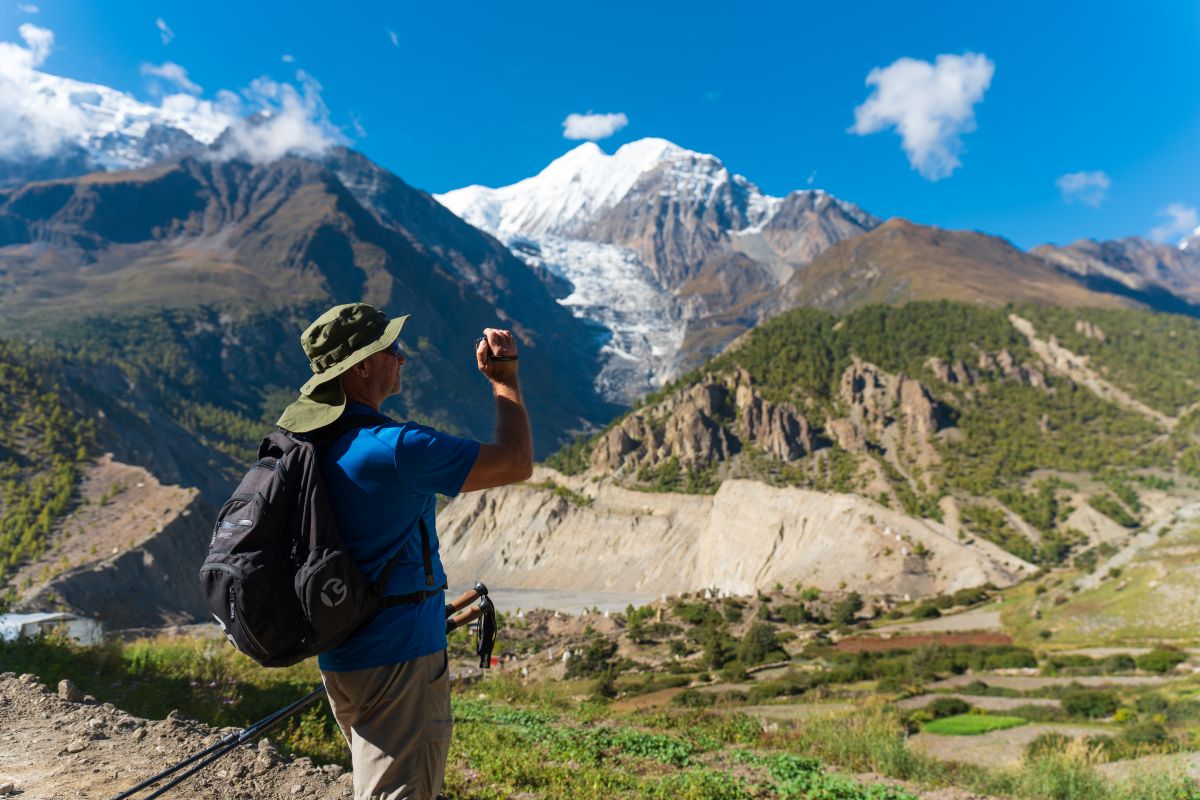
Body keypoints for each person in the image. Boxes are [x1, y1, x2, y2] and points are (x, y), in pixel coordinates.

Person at [275, 302, 532, 800]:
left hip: (343, 654)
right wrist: (505, 380)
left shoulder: (310, 445)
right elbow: (516, 462)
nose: (402, 358)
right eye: (391, 349)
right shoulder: (396, 448)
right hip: (399, 662)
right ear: (364, 366)